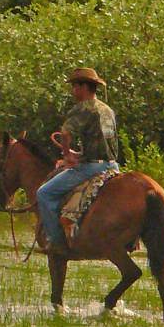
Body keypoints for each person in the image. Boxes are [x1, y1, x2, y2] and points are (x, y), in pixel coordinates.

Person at [36, 67, 120, 255]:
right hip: (112, 165)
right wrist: (81, 153)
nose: (73, 91)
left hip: (92, 168)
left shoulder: (83, 108)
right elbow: (104, 142)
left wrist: (67, 155)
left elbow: (66, 133)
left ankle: (56, 243)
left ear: (83, 87)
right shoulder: (107, 110)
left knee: (44, 193)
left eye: (75, 86)